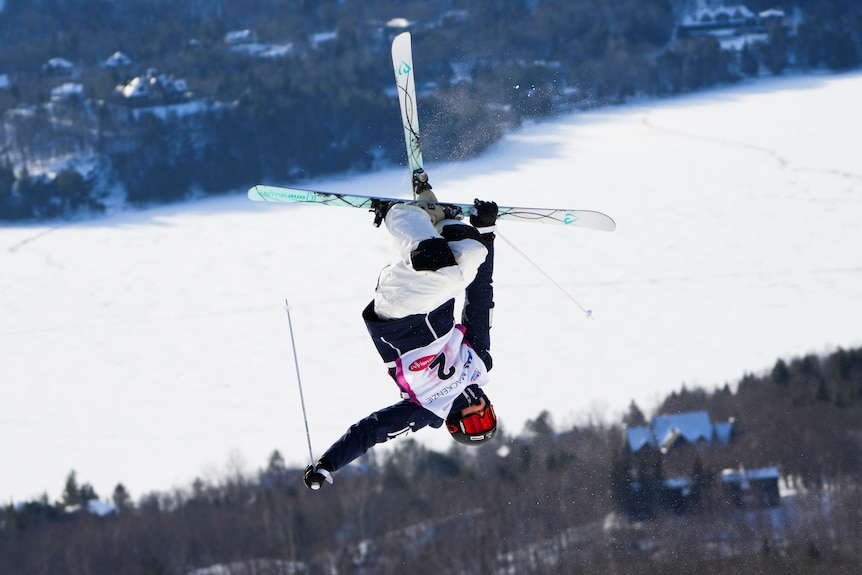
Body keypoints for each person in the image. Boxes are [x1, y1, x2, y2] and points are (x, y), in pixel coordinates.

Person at [304, 170, 499, 490]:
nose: (478, 408)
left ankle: (397, 214)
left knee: (445, 275)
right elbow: (480, 301)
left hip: (398, 315)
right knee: (473, 252)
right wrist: (487, 231)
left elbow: (371, 432)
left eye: (474, 420)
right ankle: (440, 218)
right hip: (435, 302)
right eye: (486, 415)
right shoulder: (479, 363)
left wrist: (328, 465)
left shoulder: (426, 409)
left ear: (453, 424)